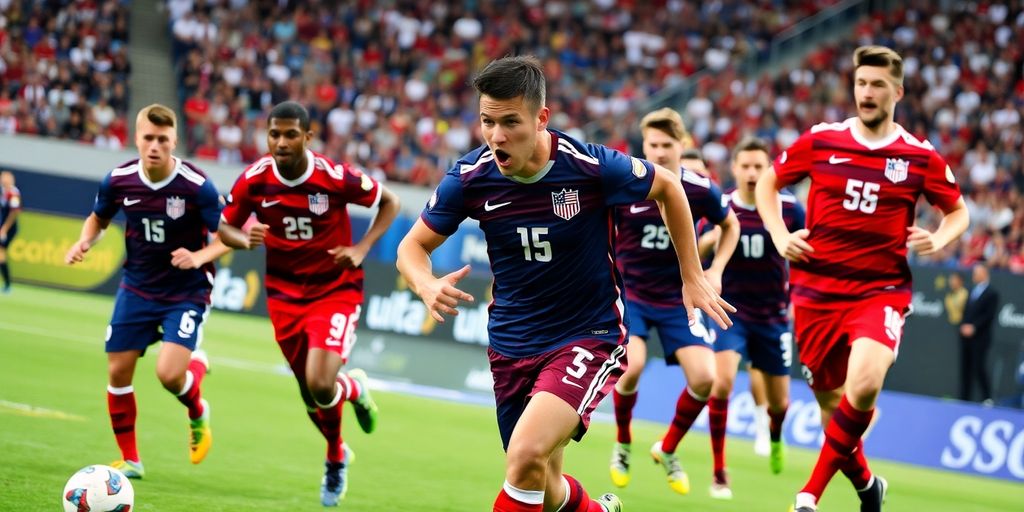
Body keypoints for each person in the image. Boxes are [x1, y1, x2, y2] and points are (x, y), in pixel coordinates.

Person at [396, 55, 733, 512]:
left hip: (586, 335)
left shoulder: (590, 167)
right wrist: (424, 283)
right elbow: (412, 247)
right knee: (541, 478)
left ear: (541, 119)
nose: (496, 136)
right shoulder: (470, 178)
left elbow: (669, 188)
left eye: (510, 122)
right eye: (486, 122)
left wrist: (692, 275)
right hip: (512, 342)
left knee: (524, 455)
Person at [755, 46, 969, 512]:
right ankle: (869, 488)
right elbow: (768, 183)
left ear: (898, 91)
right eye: (860, 83)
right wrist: (778, 233)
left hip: (881, 292)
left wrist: (941, 237)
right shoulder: (821, 140)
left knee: (866, 384)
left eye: (876, 85)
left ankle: (808, 495)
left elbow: (958, 211)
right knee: (835, 409)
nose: (866, 93)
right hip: (815, 292)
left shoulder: (918, 156)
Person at [218, 101, 398, 507]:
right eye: (274, 134)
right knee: (310, 395)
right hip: (283, 296)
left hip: (335, 290)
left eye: (290, 134)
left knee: (320, 383)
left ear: (308, 137)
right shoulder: (255, 180)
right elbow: (224, 224)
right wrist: (243, 238)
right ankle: (345, 420)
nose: (281, 142)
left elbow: (391, 202)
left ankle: (336, 447)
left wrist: (362, 247)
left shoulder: (333, 177)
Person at [64, 104, 228, 479]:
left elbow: (227, 237)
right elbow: (98, 218)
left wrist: (199, 255)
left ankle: (197, 408)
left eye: (163, 140)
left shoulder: (196, 185)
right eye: (148, 138)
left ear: (174, 142)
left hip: (187, 289)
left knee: (169, 375)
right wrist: (84, 242)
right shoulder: (118, 179)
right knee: (118, 371)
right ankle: (131, 459)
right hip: (137, 285)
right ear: (136, 138)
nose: (155, 146)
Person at [606, 107, 740, 495]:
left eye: (667, 144)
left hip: (680, 298)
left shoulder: (700, 188)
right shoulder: (627, 183)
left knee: (706, 379)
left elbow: (730, 225)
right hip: (631, 295)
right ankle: (623, 444)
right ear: (644, 145)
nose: (660, 152)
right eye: (653, 144)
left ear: (682, 145)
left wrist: (713, 273)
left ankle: (666, 448)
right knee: (631, 370)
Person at [704, 136, 805, 499]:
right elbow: (697, 249)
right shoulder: (722, 206)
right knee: (722, 383)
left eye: (758, 167)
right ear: (734, 168)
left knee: (781, 403)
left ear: (769, 170)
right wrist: (716, 237)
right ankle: (719, 471)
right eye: (745, 166)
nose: (750, 173)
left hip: (774, 317)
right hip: (731, 312)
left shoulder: (790, 209)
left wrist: (798, 297)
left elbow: (808, 256)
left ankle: (775, 435)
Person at [959, 263, 999, 404]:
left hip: (980, 338)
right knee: (965, 368)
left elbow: (989, 315)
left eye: (977, 272)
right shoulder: (971, 291)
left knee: (979, 366)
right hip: (966, 338)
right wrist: (963, 325)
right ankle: (964, 399)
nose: (974, 275)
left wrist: (974, 327)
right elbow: (966, 312)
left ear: (984, 273)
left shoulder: (992, 293)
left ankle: (987, 398)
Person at [0, 170, 21, 293]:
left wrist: (4, 229)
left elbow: (15, 212)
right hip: (3, 228)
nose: (3, 179)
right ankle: (7, 284)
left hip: (9, 229)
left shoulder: (13, 194)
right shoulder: (3, 192)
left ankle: (8, 285)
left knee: (1, 254)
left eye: (6, 178)